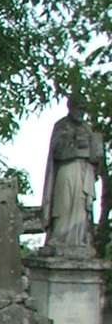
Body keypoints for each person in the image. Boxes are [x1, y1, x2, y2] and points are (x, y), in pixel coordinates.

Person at [41, 97, 106, 255]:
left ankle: (80, 239)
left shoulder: (88, 129)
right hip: (67, 169)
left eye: (83, 109)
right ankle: (60, 237)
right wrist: (77, 147)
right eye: (78, 107)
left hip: (85, 171)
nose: (81, 112)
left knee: (81, 205)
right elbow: (56, 152)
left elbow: (96, 156)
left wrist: (95, 154)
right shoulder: (62, 125)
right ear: (70, 107)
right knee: (64, 203)